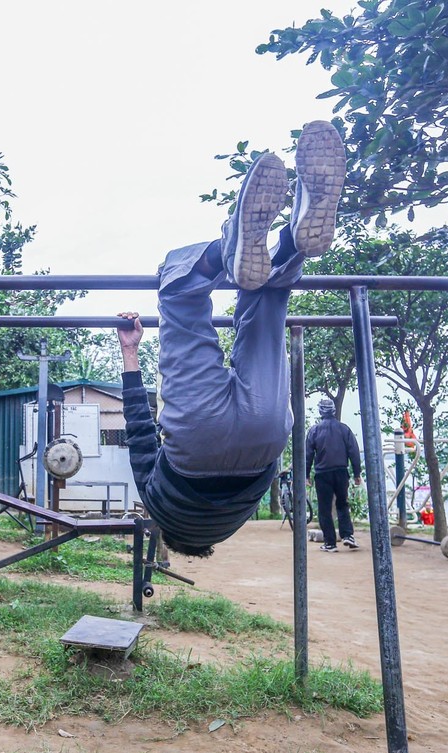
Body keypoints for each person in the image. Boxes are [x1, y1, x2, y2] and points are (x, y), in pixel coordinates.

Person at [116, 121, 346, 557]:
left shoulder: (231, 524)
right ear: (173, 541)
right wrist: (131, 350)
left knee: (267, 303)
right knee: (180, 296)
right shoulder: (161, 512)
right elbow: (140, 434)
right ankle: (226, 252)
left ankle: (294, 244)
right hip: (195, 446)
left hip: (263, 438)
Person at [305, 397, 362, 552]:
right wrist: (357, 473)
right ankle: (347, 535)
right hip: (341, 472)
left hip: (323, 474)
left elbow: (308, 454)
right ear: (334, 411)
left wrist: (306, 475)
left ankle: (330, 543)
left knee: (324, 508)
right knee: (342, 504)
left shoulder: (314, 431)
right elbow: (354, 451)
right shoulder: (344, 429)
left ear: (320, 412)